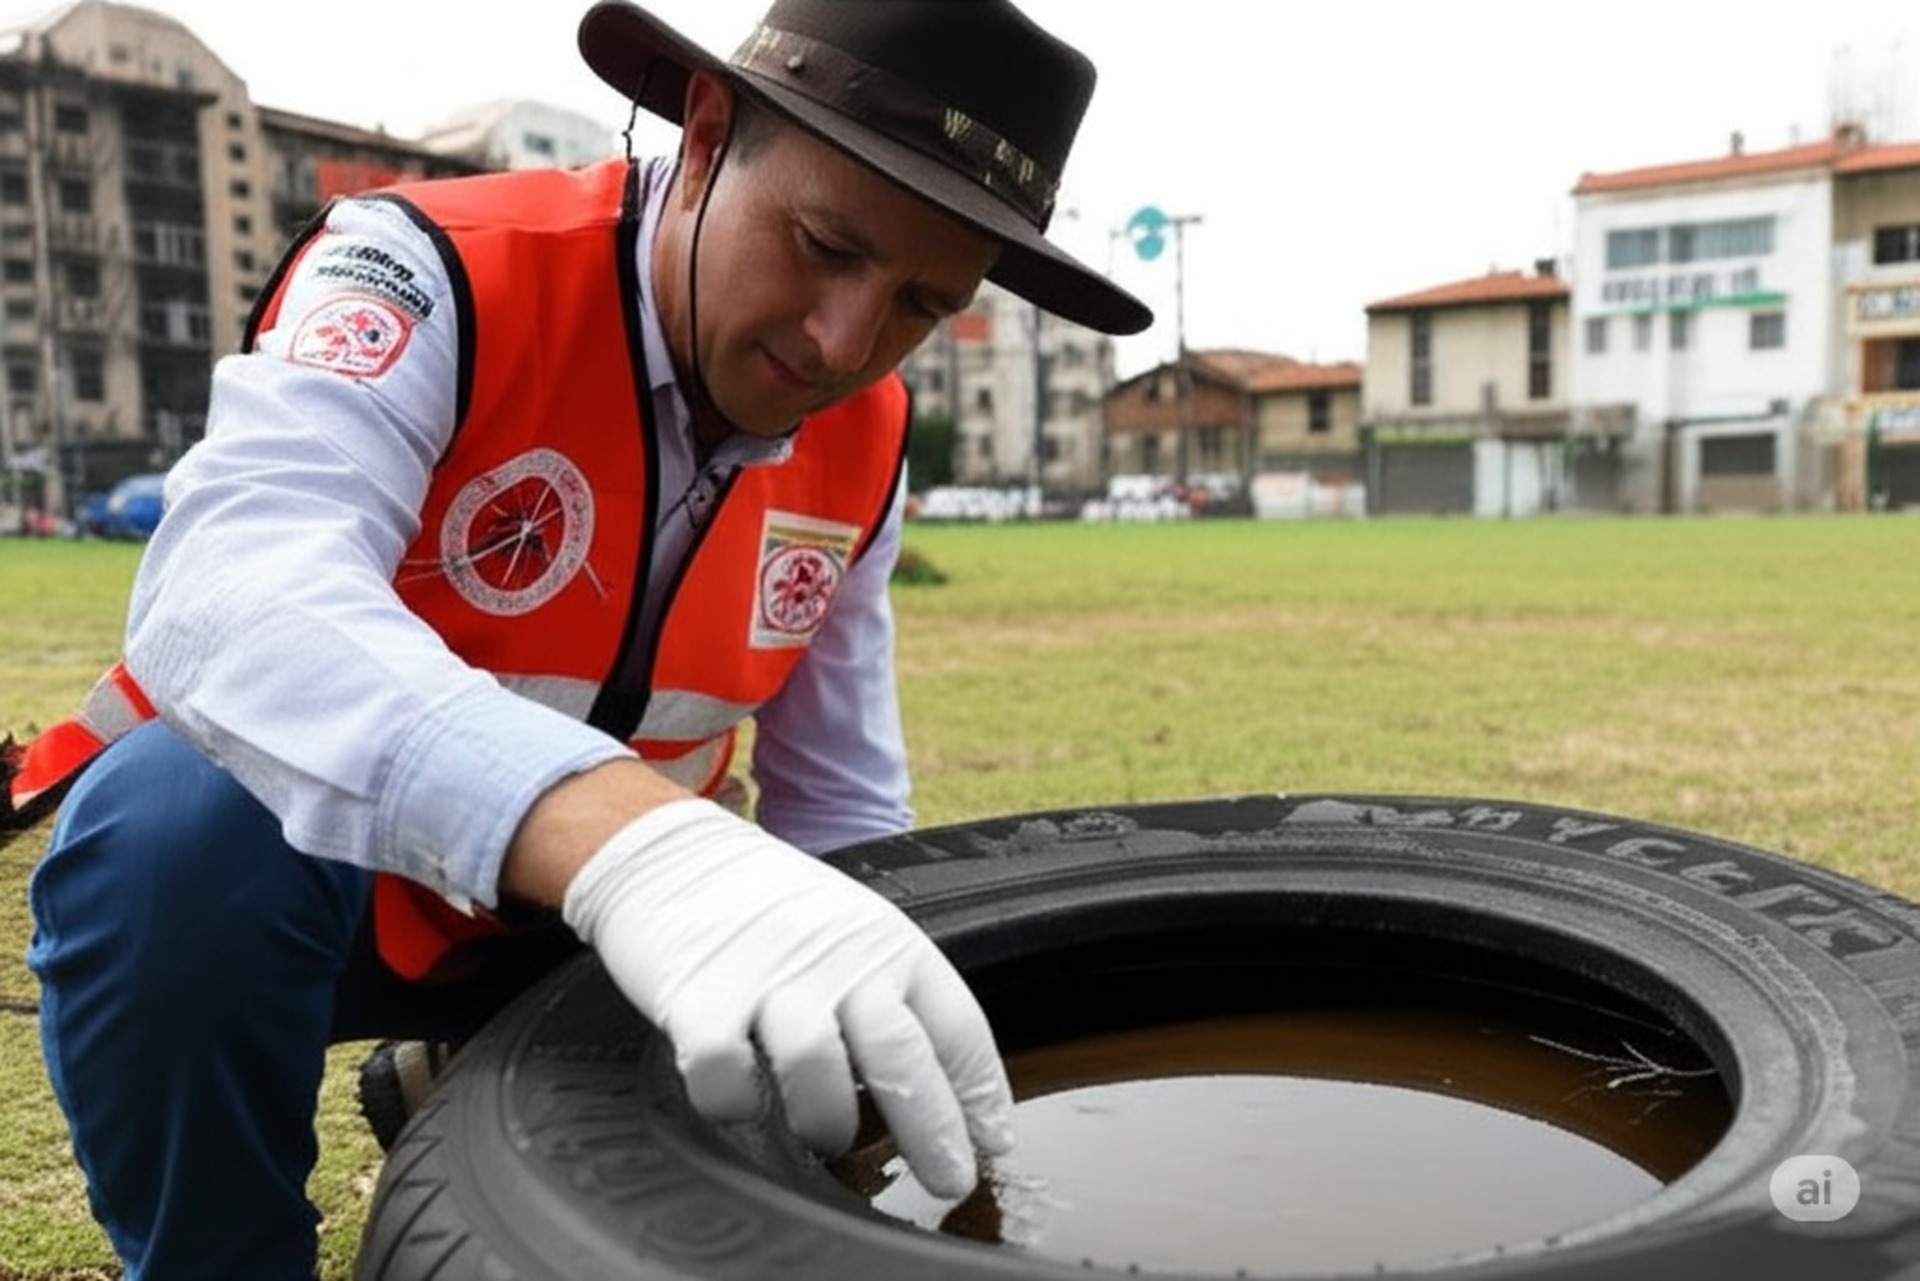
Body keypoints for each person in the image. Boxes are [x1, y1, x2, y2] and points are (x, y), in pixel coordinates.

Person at [8, 0, 1149, 1276]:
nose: (843, 343)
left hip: (598, 939)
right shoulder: (431, 267)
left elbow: (842, 796)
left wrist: (857, 990)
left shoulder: (866, 434)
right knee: (169, 831)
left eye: (921, 307)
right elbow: (232, 585)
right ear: (708, 135)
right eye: (824, 245)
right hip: (321, 890)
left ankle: (487, 1060)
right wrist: (630, 845)